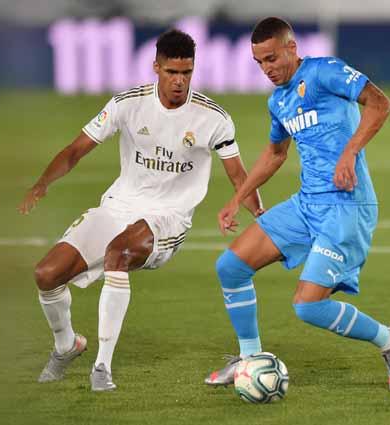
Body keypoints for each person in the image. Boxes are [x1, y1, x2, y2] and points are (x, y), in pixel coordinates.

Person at [18, 29, 262, 392]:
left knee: (118, 253)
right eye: (172, 73)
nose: (180, 82)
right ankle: (66, 345)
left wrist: (262, 215)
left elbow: (239, 175)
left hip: (168, 218)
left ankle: (102, 368)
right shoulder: (127, 104)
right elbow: (76, 149)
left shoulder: (214, 118)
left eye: (187, 73)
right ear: (156, 68)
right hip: (118, 206)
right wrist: (42, 183)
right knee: (46, 274)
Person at [204, 17, 390, 392]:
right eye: (259, 63)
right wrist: (237, 198)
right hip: (306, 206)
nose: (267, 69)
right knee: (230, 267)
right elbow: (275, 153)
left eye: (271, 58)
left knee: (308, 306)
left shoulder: (324, 72)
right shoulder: (278, 100)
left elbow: (380, 104)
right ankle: (250, 358)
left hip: (346, 206)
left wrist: (350, 152)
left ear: (291, 48)